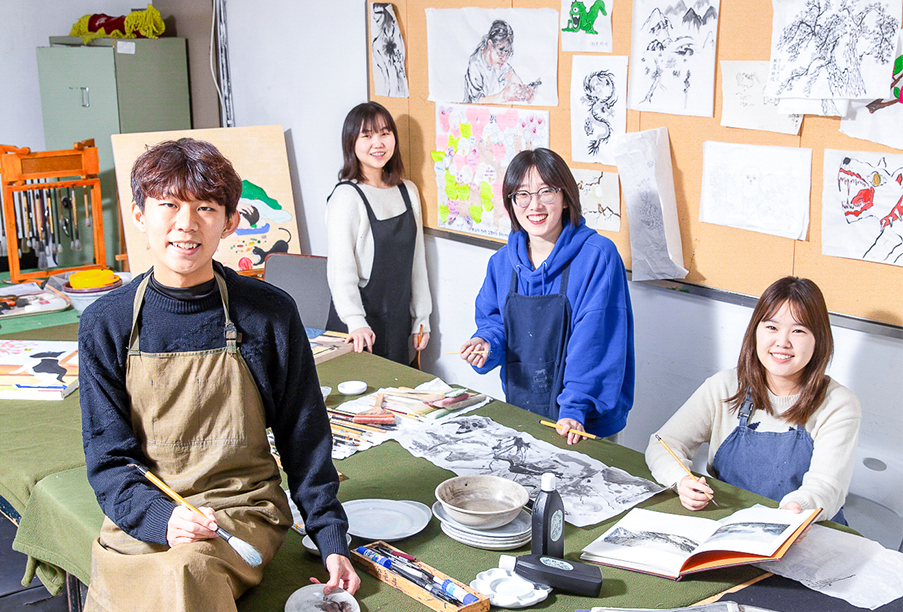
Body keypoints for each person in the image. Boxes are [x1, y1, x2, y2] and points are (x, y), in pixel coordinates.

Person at [43, 138, 359, 612]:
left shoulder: (267, 314)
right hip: (143, 519)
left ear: (230, 222)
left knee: (184, 578)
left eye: (205, 208)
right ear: (139, 214)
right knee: (164, 600)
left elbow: (304, 435)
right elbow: (108, 462)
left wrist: (329, 537)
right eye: (168, 205)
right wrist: (162, 518)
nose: (185, 224)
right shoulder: (107, 322)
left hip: (242, 512)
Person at [645, 277, 861, 524]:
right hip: (730, 524)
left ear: (819, 339)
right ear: (755, 331)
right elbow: (663, 443)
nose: (782, 342)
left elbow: (828, 487)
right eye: (772, 327)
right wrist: (681, 480)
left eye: (798, 330)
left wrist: (799, 510)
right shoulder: (725, 386)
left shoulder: (838, 404)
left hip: (806, 528)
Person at [460, 148, 634, 445]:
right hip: (524, 410)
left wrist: (575, 408)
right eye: (522, 194)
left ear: (566, 197)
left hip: (583, 421)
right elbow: (495, 323)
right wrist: (487, 343)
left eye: (546, 191)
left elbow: (594, 342)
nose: (535, 205)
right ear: (511, 202)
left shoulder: (597, 257)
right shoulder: (501, 263)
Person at [325, 102, 431, 365]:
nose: (378, 143)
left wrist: (421, 318)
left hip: (397, 322)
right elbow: (340, 270)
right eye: (367, 135)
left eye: (385, 133)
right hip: (356, 328)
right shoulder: (346, 197)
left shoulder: (408, 191)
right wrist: (355, 321)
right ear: (351, 142)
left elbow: (417, 263)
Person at [464, 19, 537, 104]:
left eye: (508, 53)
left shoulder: (498, 60)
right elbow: (476, 102)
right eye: (501, 52)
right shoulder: (475, 65)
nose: (505, 59)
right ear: (490, 45)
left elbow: (510, 74)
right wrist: (503, 96)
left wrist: (522, 90)